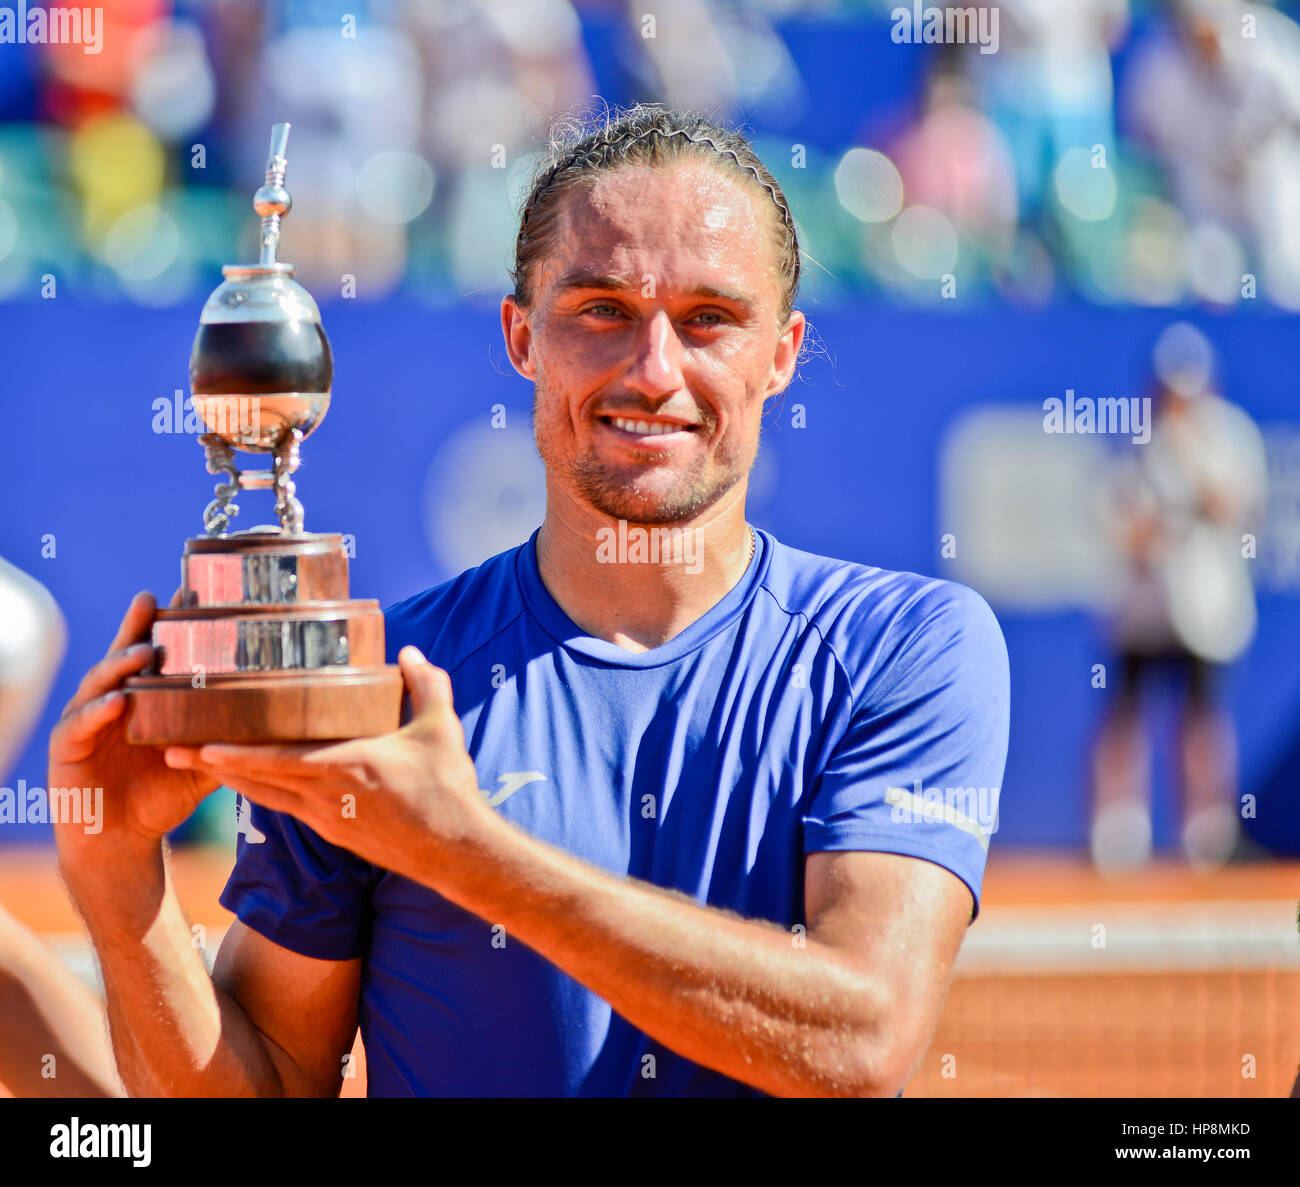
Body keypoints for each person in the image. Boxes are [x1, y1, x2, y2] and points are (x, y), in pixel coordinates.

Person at [50, 104, 1010, 1098]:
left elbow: (858, 1040)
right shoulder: (368, 691)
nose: (654, 371)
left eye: (708, 319)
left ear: (782, 351)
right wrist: (120, 887)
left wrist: (463, 850)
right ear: (520, 334)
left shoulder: (907, 648)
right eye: (600, 309)